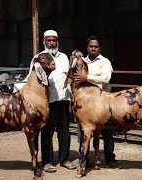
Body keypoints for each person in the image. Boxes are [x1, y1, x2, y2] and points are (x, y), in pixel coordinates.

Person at [73, 35, 121, 168]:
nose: (93, 49)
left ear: (100, 48)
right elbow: (72, 72)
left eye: (96, 46)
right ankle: (84, 158)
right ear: (87, 47)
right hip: (86, 104)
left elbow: (106, 78)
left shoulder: (105, 62)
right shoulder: (81, 61)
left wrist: (86, 77)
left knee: (107, 131)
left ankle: (110, 158)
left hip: (102, 103)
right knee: (84, 132)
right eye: (91, 46)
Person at [40, 29, 76, 173]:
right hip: (47, 101)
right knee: (47, 132)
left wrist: (72, 95)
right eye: (48, 40)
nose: (51, 43)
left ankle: (64, 159)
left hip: (64, 99)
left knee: (64, 131)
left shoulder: (64, 58)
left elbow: (68, 77)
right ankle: (48, 162)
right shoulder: (39, 57)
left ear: (58, 41)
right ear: (44, 41)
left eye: (54, 40)